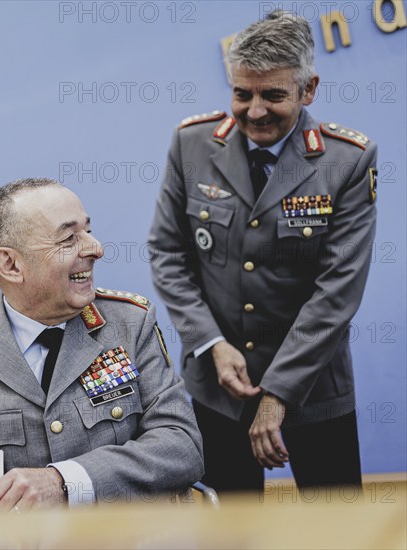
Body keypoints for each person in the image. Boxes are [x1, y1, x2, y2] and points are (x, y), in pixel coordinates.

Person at [0, 178, 204, 513]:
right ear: (10, 265)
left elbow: (181, 446)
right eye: (69, 238)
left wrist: (64, 481)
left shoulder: (129, 324)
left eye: (88, 230)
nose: (95, 248)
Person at [149, 10, 377, 493]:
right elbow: (168, 254)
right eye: (241, 93)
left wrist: (278, 393)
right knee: (230, 531)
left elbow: (338, 290)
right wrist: (210, 342)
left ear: (307, 89)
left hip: (315, 390)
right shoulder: (190, 143)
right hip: (218, 390)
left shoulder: (347, 161)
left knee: (340, 531)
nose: (254, 111)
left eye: (273, 95)